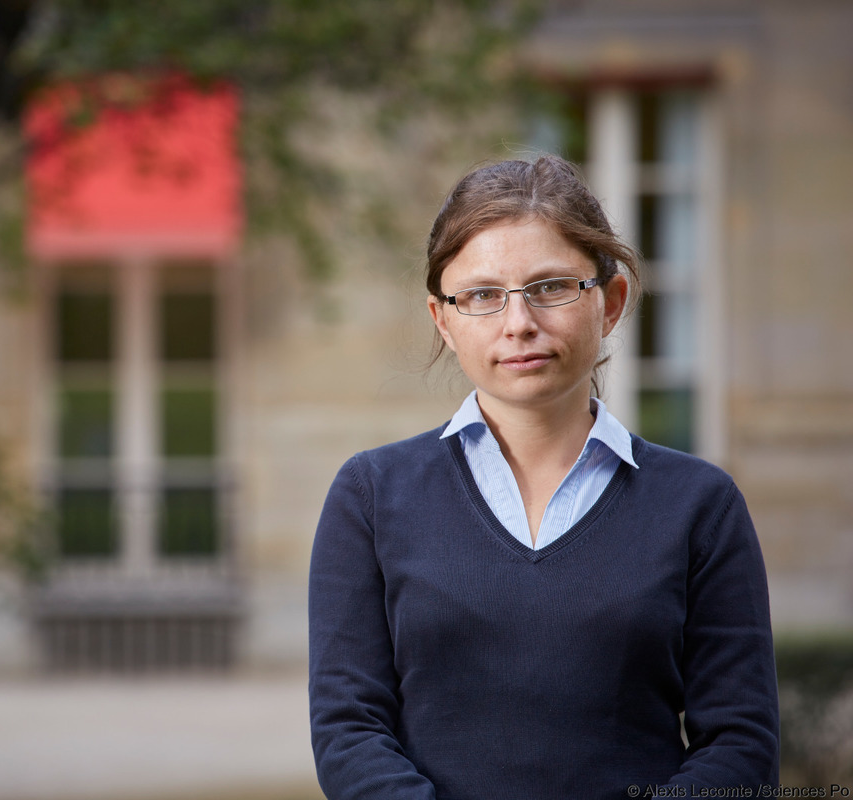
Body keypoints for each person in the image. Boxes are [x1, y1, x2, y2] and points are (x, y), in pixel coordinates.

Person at [308, 154, 779, 799]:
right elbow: (349, 730)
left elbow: (741, 746)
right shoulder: (371, 497)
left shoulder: (700, 505)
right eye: (481, 296)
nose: (519, 323)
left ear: (610, 303)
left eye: (551, 287)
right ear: (442, 319)